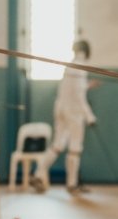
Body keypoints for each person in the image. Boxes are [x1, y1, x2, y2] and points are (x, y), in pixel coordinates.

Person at [34, 38, 96, 194]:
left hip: (61, 108)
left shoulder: (70, 66)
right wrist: (90, 117)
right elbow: (79, 96)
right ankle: (72, 184)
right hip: (74, 113)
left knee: (58, 145)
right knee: (75, 148)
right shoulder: (81, 67)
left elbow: (72, 89)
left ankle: (38, 174)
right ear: (86, 51)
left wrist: (87, 86)